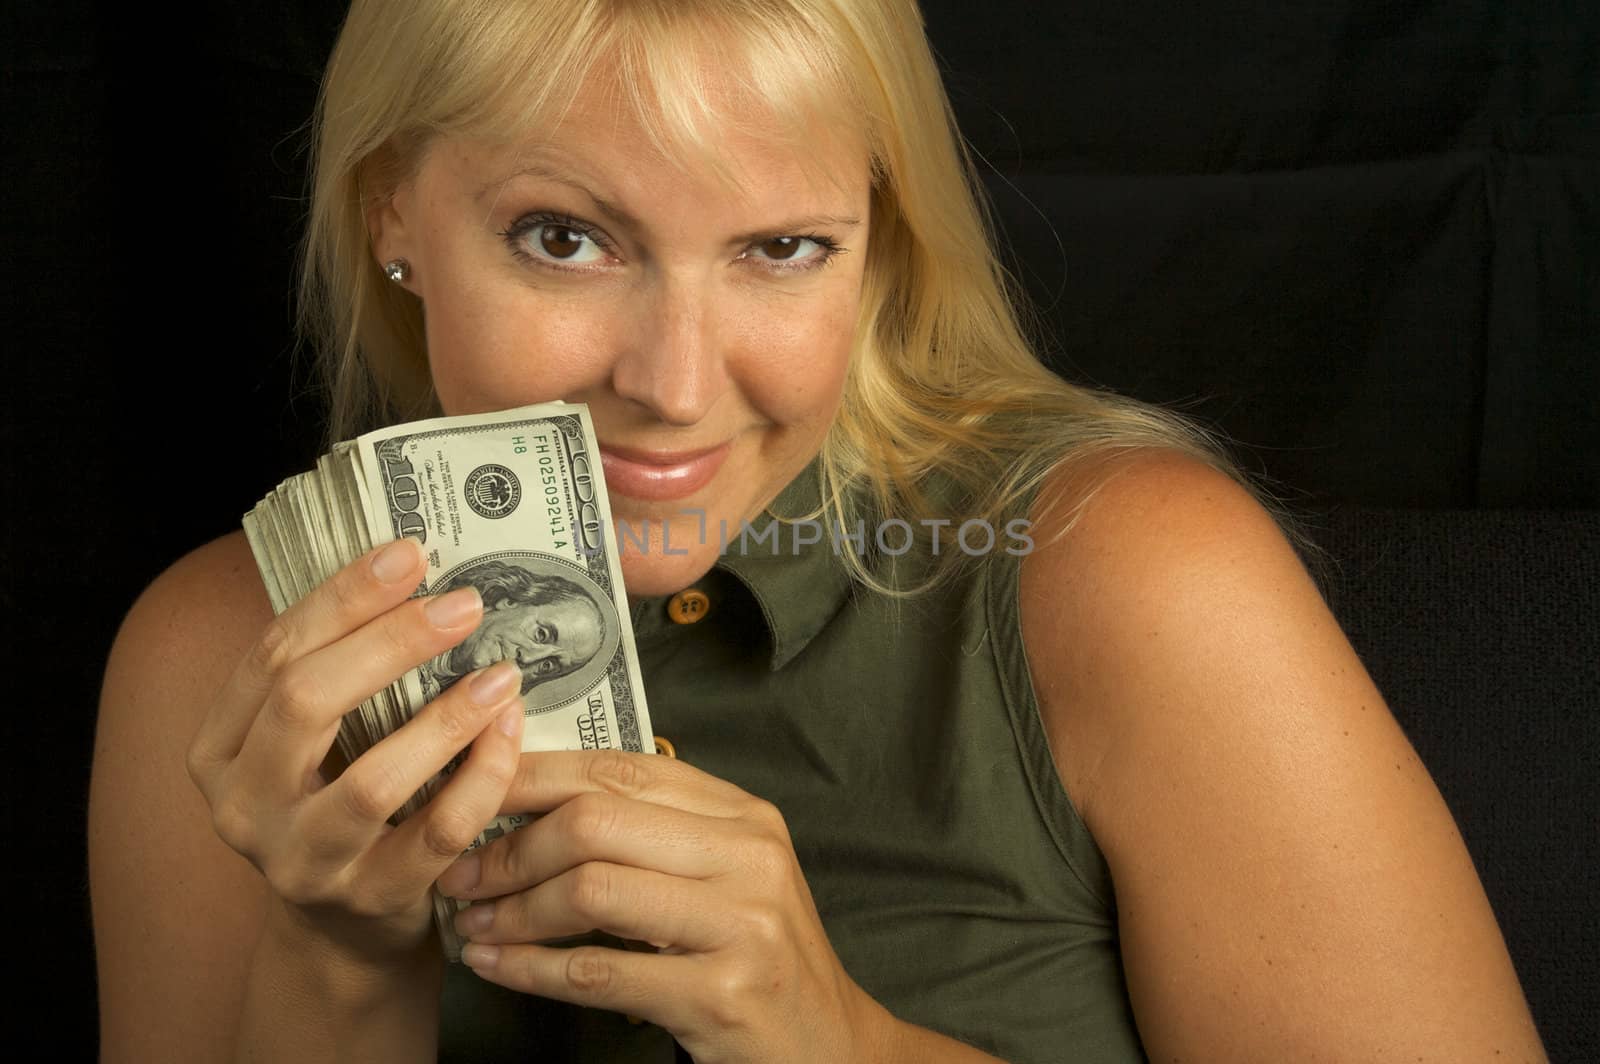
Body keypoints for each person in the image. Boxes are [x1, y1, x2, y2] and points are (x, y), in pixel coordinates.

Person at [88, 1, 1548, 1061]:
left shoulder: (1124, 576)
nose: (671, 386)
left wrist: (838, 1041)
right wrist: (339, 958)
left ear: (880, 234)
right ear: (391, 207)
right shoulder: (227, 656)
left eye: (780, 249)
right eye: (565, 237)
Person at [420, 561, 609, 700]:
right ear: (510, 601)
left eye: (548, 666)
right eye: (541, 635)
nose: (528, 659)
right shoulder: (422, 600)